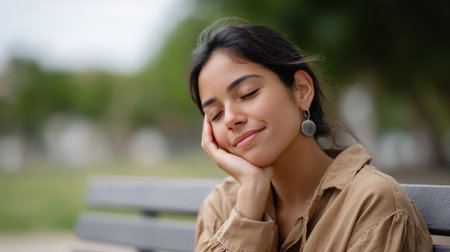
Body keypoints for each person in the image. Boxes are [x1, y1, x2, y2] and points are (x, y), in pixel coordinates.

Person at [188, 18, 432, 252]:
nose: (231, 118)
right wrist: (250, 198)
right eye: (216, 114)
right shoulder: (223, 205)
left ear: (302, 90)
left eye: (248, 93)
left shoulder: (372, 202)